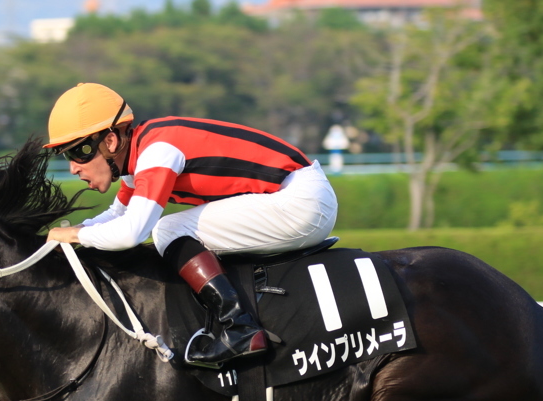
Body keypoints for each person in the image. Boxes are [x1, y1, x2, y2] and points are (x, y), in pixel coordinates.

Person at [44, 83, 338, 368]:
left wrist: (77, 234)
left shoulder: (156, 151)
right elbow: (116, 215)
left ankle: (239, 327)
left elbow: (132, 232)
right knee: (171, 230)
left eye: (79, 151)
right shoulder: (140, 156)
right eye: (67, 155)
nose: (73, 167)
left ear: (110, 141)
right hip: (299, 196)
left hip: (301, 200)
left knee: (168, 230)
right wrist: (71, 234)